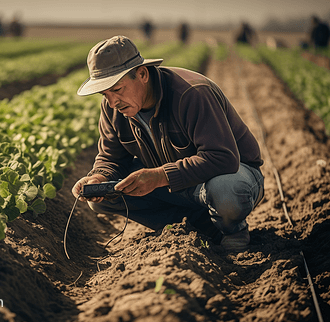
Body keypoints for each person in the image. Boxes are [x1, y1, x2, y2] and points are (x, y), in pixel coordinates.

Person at [72, 36, 264, 252]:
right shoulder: (112, 109)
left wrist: (158, 177)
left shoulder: (191, 93)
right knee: (101, 199)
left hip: (232, 174)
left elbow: (223, 158)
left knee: (227, 190)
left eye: (117, 89)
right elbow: (111, 158)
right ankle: (201, 228)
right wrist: (100, 177)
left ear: (142, 74)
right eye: (104, 94)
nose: (112, 102)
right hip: (177, 183)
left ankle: (233, 231)